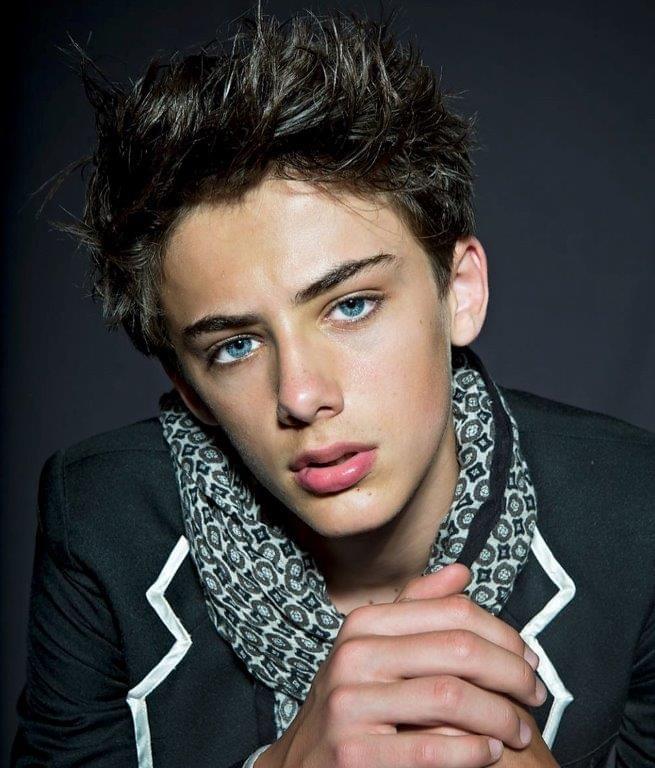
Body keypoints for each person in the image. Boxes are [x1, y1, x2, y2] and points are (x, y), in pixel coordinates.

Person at [11, 4, 655, 767]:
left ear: (459, 291)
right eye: (235, 346)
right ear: (187, 388)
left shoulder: (633, 511)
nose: (301, 395)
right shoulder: (103, 521)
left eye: (350, 306)